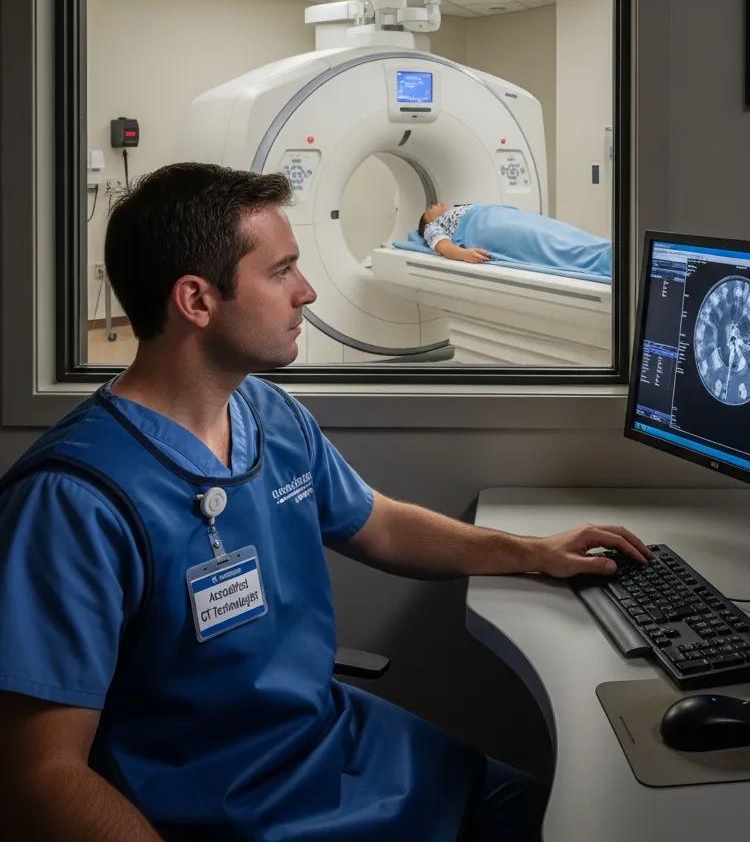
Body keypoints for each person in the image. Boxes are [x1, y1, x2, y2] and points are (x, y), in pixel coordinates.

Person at [0, 163, 649, 842]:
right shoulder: (72, 502)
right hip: (238, 806)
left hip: (340, 743)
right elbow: (40, 775)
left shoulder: (268, 415)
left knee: (567, 816)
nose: (306, 292)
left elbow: (383, 525)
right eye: (281, 272)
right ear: (197, 300)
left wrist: (531, 553)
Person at [417, 202, 611, 278]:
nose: (436, 204)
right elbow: (441, 244)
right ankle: (603, 261)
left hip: (502, 216)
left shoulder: (462, 206)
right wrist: (462, 254)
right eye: (430, 207)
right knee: (544, 241)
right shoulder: (434, 226)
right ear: (429, 219)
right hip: (488, 227)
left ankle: (607, 250)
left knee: (559, 231)